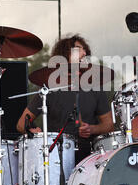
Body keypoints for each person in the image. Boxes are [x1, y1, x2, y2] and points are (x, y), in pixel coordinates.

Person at [16, 34, 114, 164]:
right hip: (55, 157)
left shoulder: (94, 87)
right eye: (79, 49)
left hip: (89, 158)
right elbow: (21, 124)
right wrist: (33, 131)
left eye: (85, 50)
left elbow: (109, 125)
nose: (84, 53)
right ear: (65, 53)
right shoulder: (49, 89)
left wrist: (92, 129)